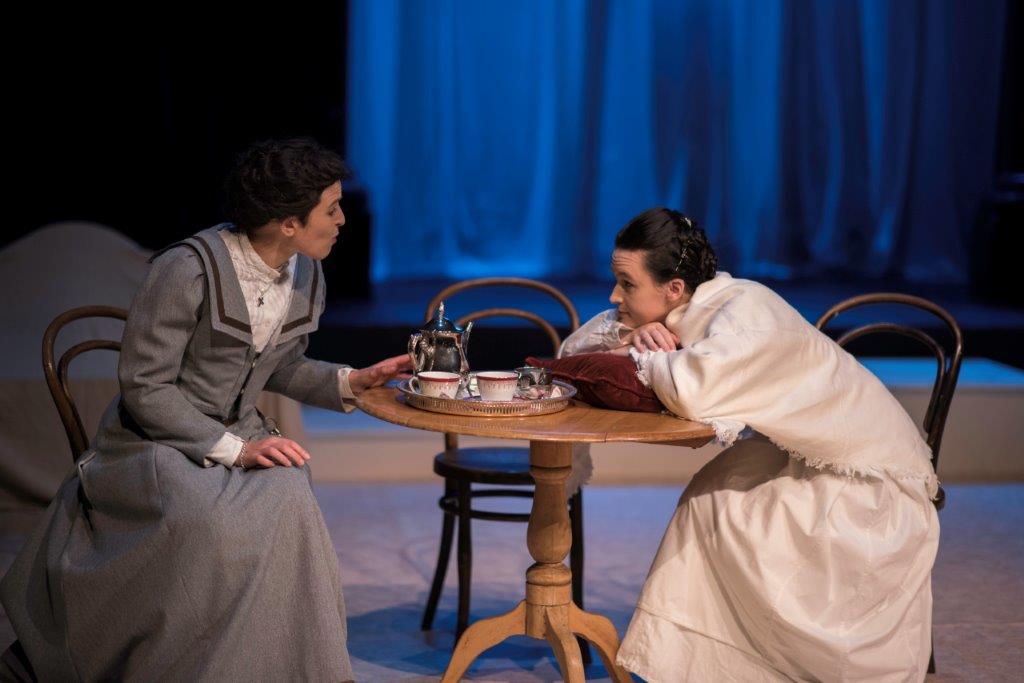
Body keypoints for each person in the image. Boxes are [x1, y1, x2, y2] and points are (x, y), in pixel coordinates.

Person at [0, 138, 409, 681]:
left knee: (290, 498)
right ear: (289, 222)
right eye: (331, 209)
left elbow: (281, 366)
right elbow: (145, 387)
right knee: (211, 522)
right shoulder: (187, 269)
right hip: (157, 439)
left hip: (242, 432)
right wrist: (235, 450)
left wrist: (351, 381)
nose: (341, 220)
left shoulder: (305, 273)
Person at [559, 207, 939, 681]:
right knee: (711, 492)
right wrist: (635, 337)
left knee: (725, 509)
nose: (614, 295)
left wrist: (635, 350)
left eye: (626, 284)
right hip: (808, 455)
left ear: (673, 288)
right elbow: (573, 354)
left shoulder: (744, 311)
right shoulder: (691, 307)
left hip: (869, 480)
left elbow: (693, 390)